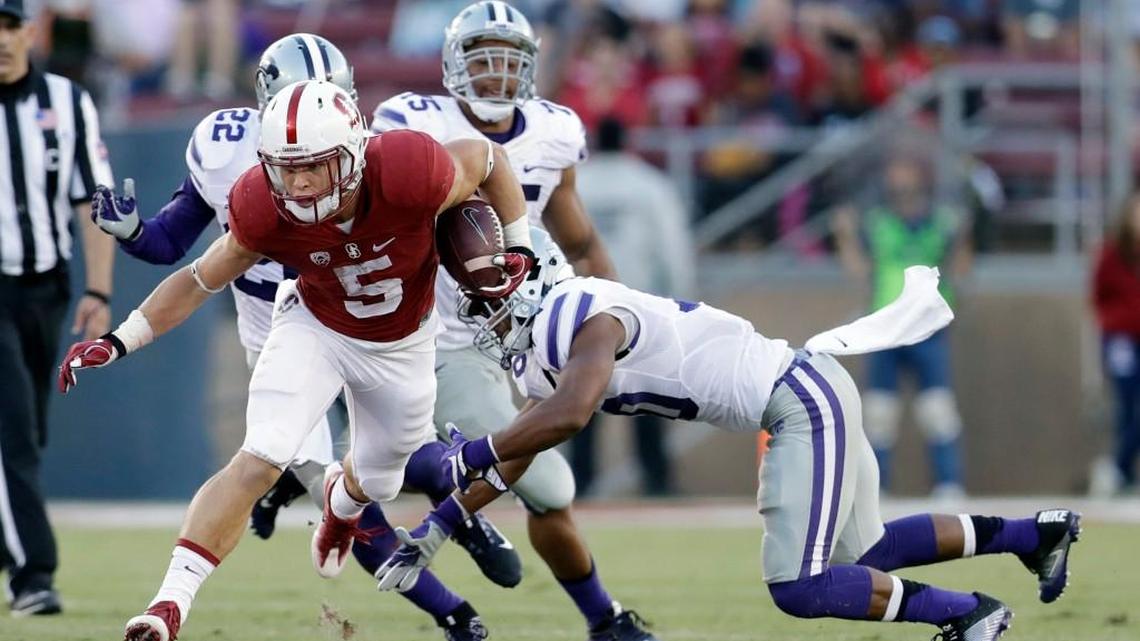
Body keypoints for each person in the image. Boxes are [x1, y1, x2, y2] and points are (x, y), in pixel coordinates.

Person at [376, 231, 1082, 641]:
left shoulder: (576, 310)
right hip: (802, 392)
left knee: (799, 585)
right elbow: (521, 448)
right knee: (863, 553)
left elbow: (571, 413)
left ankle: (970, 615)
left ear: (529, 278)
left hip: (799, 400)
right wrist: (441, 522)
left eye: (488, 298)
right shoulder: (541, 353)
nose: (483, 317)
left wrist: (468, 452)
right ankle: (1035, 534)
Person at [58, 78, 534, 641]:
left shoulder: (408, 167)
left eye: (315, 165)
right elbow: (197, 279)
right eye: (286, 168)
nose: (300, 182)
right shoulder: (261, 203)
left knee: (379, 482)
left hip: (403, 346)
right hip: (315, 327)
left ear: (355, 152)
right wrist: (119, 340)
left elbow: (488, 158)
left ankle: (340, 505)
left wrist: (519, 248)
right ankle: (167, 606)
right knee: (263, 454)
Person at [370, 4, 654, 640]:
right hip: (450, 333)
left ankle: (603, 619)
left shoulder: (553, 131)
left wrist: (612, 317)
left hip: (532, 329)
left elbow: (579, 242)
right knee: (546, 480)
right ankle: (459, 507)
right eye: (482, 59)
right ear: (453, 65)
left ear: (531, 67)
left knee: (550, 497)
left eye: (509, 61)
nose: (496, 75)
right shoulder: (415, 122)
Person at [0, 0, 115, 616]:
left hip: (46, 287)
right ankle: (33, 576)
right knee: (12, 433)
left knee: (31, 433)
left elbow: (91, 200)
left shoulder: (68, 103)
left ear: (29, 30)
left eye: (10, 25)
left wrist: (98, 292)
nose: (2, 39)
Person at [832, 154, 971, 498]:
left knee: (938, 410)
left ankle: (948, 484)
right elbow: (862, 270)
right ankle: (877, 487)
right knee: (879, 413)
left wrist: (952, 298)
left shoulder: (943, 221)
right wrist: (845, 237)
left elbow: (961, 264)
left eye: (906, 170)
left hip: (927, 327)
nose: (900, 179)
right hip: (886, 325)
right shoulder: (877, 222)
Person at [571, 117, 695, 497]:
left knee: (580, 402)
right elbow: (673, 251)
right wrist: (683, 304)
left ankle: (578, 488)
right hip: (641, 311)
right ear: (628, 140)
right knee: (649, 404)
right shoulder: (650, 185)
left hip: (584, 310)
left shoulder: (575, 185)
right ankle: (657, 487)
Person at [1091, 194, 1140, 494]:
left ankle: (1120, 467)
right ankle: (1122, 472)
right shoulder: (1112, 253)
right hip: (1121, 337)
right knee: (1126, 405)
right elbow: (1098, 294)